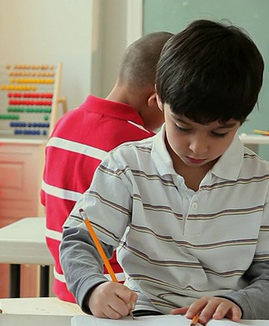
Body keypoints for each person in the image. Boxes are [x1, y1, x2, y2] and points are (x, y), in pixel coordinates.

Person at [60, 19, 269, 324]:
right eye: (183, 127)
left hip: (240, 324)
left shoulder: (264, 182)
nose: (198, 147)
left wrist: (238, 303)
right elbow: (80, 240)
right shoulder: (127, 166)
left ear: (242, 119)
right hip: (149, 318)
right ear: (159, 98)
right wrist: (93, 288)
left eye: (219, 133)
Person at [41, 31, 173, 302]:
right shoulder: (141, 146)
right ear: (157, 99)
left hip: (69, 287)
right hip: (118, 297)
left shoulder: (64, 124)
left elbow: (47, 202)